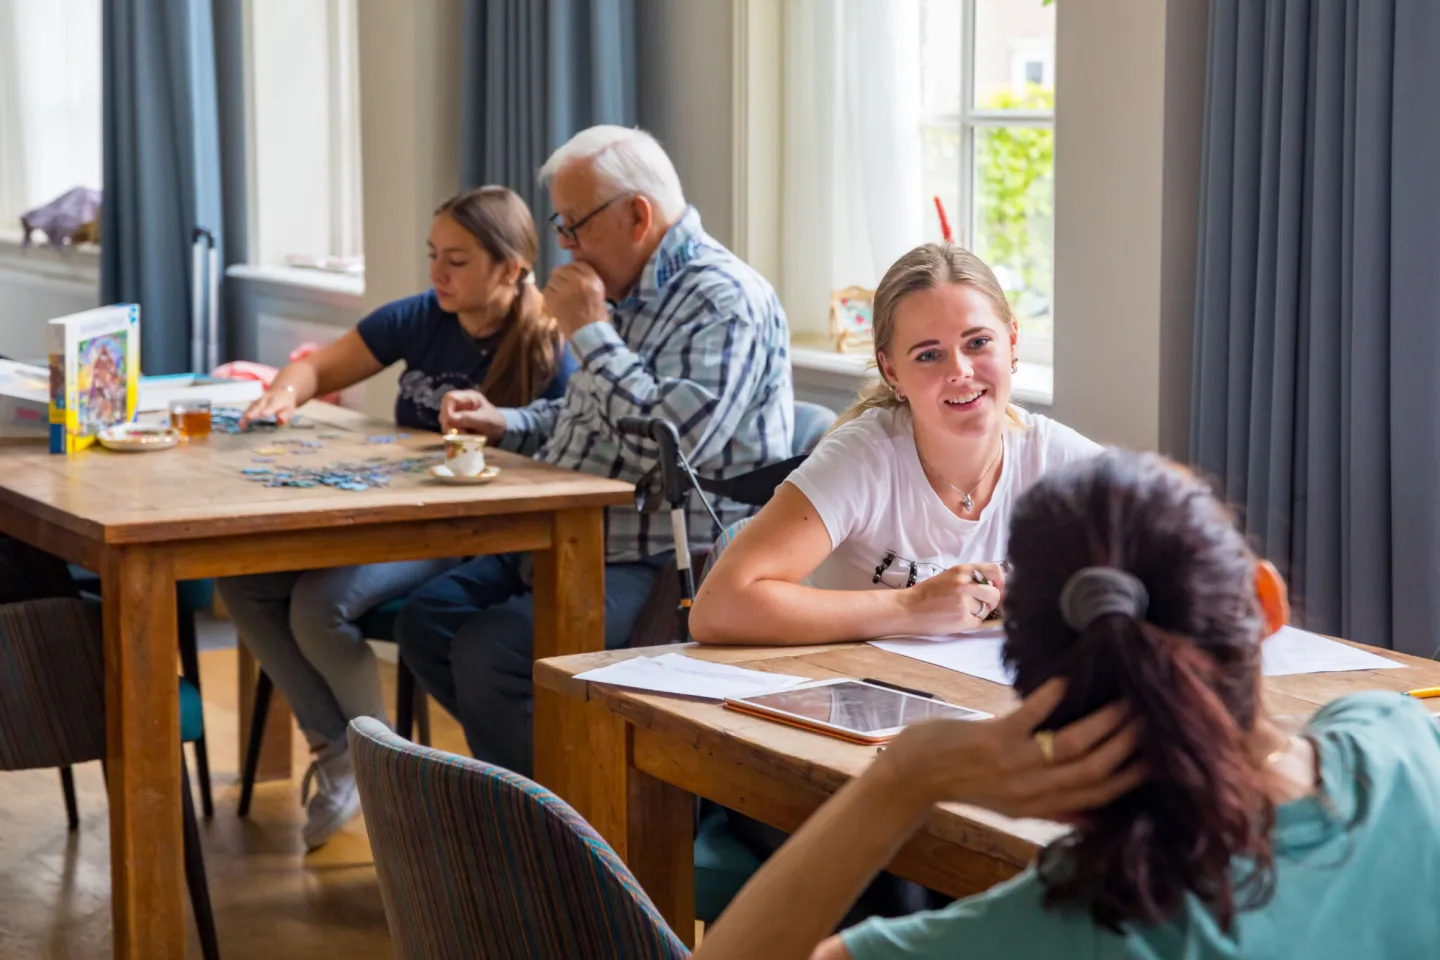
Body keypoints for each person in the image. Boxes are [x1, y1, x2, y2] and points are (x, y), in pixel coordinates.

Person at [692, 449, 1440, 960]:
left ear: (1026, 674)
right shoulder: (1403, 743)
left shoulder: (1062, 925)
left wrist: (902, 780)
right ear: (1266, 602)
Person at [397, 125, 794, 777]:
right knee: (428, 620)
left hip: (667, 562)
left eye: (573, 225)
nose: (564, 243)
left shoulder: (725, 299)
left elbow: (675, 445)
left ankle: (574, 833)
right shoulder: (625, 291)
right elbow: (592, 412)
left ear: (637, 215)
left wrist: (589, 332)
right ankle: (562, 785)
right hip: (581, 536)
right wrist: (508, 421)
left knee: (489, 652)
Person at [217, 185, 576, 850]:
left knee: (317, 606)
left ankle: (382, 772)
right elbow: (316, 366)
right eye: (433, 255)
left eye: (458, 260)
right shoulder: (422, 315)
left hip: (468, 532)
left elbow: (567, 458)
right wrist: (279, 400)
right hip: (384, 514)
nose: (437, 273)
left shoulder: (551, 346)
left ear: (510, 267)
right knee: (243, 580)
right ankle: (337, 748)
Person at [690, 243, 1101, 647]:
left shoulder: (1053, 456)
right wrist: (911, 607)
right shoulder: (862, 458)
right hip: (843, 697)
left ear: (1012, 340)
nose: (960, 370)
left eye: (978, 342)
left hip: (986, 698)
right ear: (891, 370)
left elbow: (1164, 542)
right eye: (928, 355)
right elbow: (716, 608)